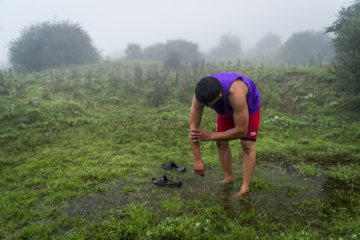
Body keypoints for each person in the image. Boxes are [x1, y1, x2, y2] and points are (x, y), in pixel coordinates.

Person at [189, 72, 260, 195]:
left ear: (220, 95)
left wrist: (211, 136)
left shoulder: (236, 93)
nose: (204, 106)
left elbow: (241, 131)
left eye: (208, 104)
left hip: (248, 106)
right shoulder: (200, 95)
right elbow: (193, 129)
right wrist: (197, 160)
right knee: (221, 142)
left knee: (247, 145)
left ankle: (245, 187)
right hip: (225, 108)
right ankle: (229, 178)